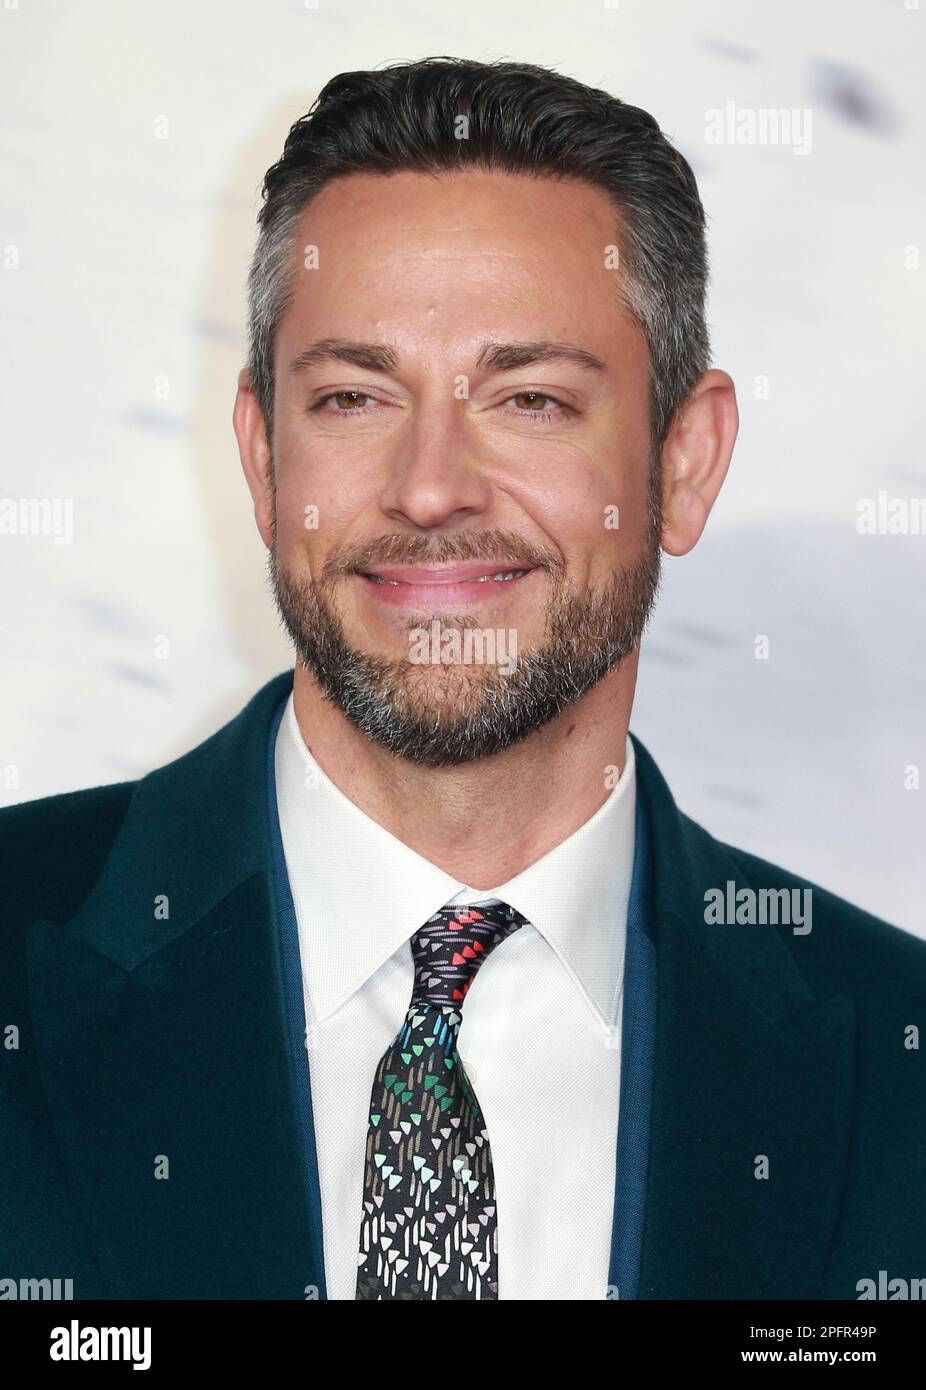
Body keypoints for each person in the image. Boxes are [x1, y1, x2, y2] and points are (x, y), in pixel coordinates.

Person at [3, 57, 924, 1302]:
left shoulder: (896, 1060)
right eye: (351, 395)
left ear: (685, 461)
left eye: (529, 398)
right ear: (263, 455)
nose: (429, 485)